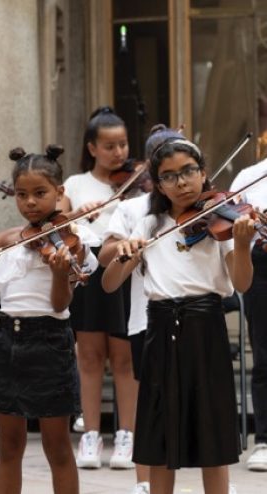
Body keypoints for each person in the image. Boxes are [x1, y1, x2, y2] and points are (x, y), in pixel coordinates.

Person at [102, 136, 251, 494]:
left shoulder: (221, 221)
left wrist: (242, 244)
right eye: (169, 176)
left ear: (203, 173)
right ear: (158, 184)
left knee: (213, 439)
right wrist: (124, 254)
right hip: (161, 326)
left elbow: (242, 283)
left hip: (206, 327)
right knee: (159, 437)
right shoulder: (149, 225)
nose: (181, 182)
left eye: (188, 171)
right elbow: (109, 285)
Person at [0, 145, 96, 494]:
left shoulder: (71, 243)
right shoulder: (6, 239)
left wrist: (61, 274)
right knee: (9, 446)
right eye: (22, 194)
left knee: (57, 446)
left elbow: (60, 304)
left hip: (50, 341)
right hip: (7, 341)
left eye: (40, 193)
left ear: (60, 193)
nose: (30, 202)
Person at [98, 125, 182, 494]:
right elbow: (103, 255)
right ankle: (144, 481)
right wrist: (127, 247)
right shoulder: (132, 208)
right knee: (150, 407)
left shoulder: (192, 208)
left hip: (189, 317)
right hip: (143, 317)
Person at [57, 106, 137, 470]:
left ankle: (127, 434)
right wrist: (76, 213)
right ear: (92, 148)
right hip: (88, 267)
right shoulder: (74, 184)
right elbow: (54, 222)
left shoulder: (137, 182)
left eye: (122, 145)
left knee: (124, 357)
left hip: (124, 267)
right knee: (88, 356)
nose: (118, 152)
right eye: (109, 146)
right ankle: (90, 434)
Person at [230, 151, 267, 472]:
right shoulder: (250, 176)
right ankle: (264, 440)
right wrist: (248, 227)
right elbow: (228, 222)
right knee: (264, 355)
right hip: (262, 269)